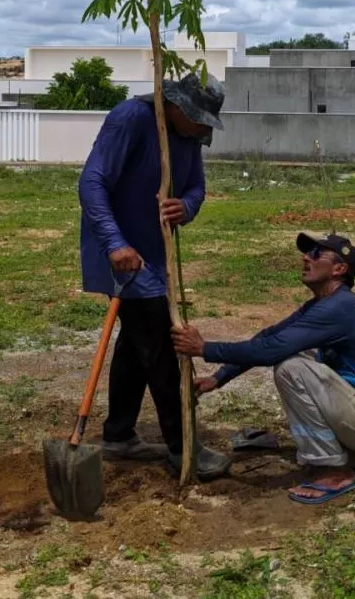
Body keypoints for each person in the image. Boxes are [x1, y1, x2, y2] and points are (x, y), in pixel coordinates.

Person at [171, 232, 355, 504]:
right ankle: (349, 455)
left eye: (317, 254)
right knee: (298, 351)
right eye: (307, 253)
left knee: (290, 367)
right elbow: (270, 337)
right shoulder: (326, 305)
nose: (306, 258)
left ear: (339, 269)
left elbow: (270, 351)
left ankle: (334, 471)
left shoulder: (337, 309)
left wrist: (204, 348)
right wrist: (219, 377)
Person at [78, 73, 231, 481]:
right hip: (124, 258)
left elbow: (196, 187)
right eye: (198, 120)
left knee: (135, 344)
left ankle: (118, 435)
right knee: (161, 345)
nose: (202, 131)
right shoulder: (130, 117)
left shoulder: (188, 136)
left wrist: (187, 206)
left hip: (155, 259)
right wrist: (115, 243)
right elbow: (91, 182)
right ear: (176, 106)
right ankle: (183, 447)